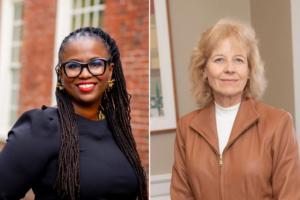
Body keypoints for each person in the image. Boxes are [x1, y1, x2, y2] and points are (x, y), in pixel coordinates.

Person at [0, 27, 148, 200]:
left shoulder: (117, 129)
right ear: (61, 74)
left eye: (95, 64)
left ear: (110, 70)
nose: (85, 74)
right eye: (73, 66)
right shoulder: (42, 127)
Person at [170, 18, 300, 199]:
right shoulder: (186, 127)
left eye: (238, 60)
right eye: (219, 59)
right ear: (204, 71)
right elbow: (181, 195)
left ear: (249, 71)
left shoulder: (278, 123)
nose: (229, 68)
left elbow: (289, 195)